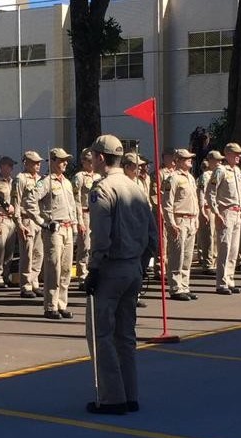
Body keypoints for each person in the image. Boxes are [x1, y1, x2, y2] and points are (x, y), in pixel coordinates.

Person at [82, 134, 158, 415]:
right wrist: (142, 262)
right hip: (133, 268)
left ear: (101, 157)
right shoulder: (136, 187)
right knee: (126, 335)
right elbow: (152, 236)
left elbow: (101, 235)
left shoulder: (102, 189)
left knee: (101, 334)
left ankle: (112, 398)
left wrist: (94, 268)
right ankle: (131, 394)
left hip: (111, 268)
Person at [31, 148, 78, 320]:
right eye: (61, 160)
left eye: (66, 160)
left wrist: (74, 225)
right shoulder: (45, 182)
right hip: (54, 229)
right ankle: (50, 305)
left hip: (67, 228)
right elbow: (30, 201)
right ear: (51, 161)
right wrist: (42, 222)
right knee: (54, 268)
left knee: (66, 269)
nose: (64, 163)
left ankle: (61, 304)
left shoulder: (66, 182)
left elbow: (72, 206)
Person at [207, 143, 241, 295]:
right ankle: (221, 283)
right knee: (225, 248)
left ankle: (230, 280)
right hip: (226, 212)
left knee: (234, 249)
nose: (239, 156)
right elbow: (211, 192)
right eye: (236, 153)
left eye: (239, 154)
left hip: (237, 212)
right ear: (227, 154)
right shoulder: (220, 171)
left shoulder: (237, 171)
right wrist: (216, 212)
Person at [162, 149, 199, 301]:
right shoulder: (172, 179)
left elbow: (194, 200)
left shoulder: (190, 177)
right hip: (179, 220)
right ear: (178, 160)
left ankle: (185, 285)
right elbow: (167, 203)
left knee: (187, 256)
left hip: (190, 219)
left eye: (190, 158)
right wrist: (171, 223)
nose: (190, 160)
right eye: (186, 158)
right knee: (177, 254)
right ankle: (176, 287)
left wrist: (196, 218)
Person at [15, 151, 44, 299]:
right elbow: (16, 202)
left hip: (38, 220)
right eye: (34, 162)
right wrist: (18, 223)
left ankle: (35, 283)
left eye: (39, 162)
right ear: (26, 163)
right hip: (26, 219)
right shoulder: (20, 179)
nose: (38, 165)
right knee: (27, 253)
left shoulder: (40, 179)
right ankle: (25, 285)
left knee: (39, 253)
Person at [0, 156, 18, 287]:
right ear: (2, 166)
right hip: (1, 218)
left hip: (12, 220)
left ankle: (6, 276)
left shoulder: (14, 182)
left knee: (9, 251)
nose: (11, 168)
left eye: (12, 166)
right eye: (9, 165)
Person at [72, 150, 98, 284]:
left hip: (97, 214)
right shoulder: (79, 177)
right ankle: (82, 275)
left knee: (96, 245)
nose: (91, 163)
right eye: (88, 161)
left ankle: (94, 271)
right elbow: (76, 200)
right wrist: (79, 220)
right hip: (85, 213)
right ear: (83, 162)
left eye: (92, 160)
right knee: (85, 246)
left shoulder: (98, 176)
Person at [195, 151, 223, 273]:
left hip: (215, 208)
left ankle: (214, 261)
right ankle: (207, 263)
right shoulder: (205, 177)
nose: (220, 163)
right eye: (217, 160)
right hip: (207, 208)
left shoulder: (217, 174)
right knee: (208, 237)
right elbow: (201, 194)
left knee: (216, 236)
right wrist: (202, 210)